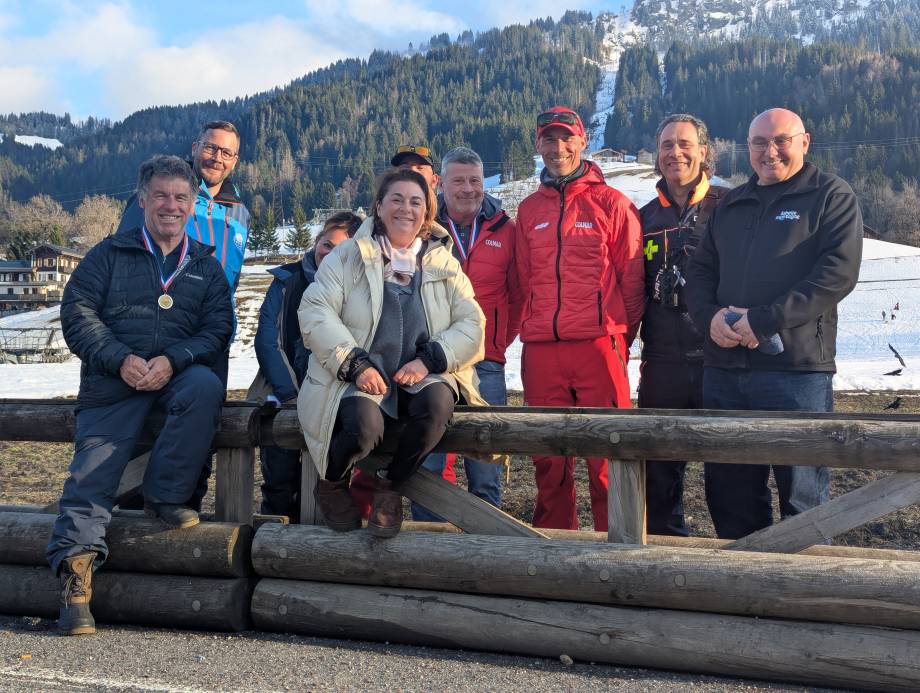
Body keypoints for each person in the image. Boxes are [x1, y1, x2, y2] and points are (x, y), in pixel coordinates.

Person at [46, 155, 233, 635]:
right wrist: (119, 358)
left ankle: (165, 496)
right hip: (112, 384)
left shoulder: (205, 266)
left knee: (206, 386)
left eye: (181, 197)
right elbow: (77, 314)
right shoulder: (108, 255)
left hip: (174, 378)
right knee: (92, 475)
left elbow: (217, 329)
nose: (171, 205)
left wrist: (174, 359)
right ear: (143, 200)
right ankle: (75, 579)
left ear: (192, 204)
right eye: (161, 195)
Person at [685, 107, 863, 539]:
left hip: (796, 373)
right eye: (760, 142)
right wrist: (709, 318)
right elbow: (700, 272)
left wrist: (763, 322)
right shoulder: (731, 204)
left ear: (805, 142)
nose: (770, 152)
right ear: (747, 148)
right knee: (730, 494)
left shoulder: (830, 196)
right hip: (725, 371)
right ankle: (745, 576)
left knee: (802, 497)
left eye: (782, 140)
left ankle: (806, 580)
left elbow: (836, 274)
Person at [297, 168, 486, 537]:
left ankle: (391, 486)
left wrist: (430, 359)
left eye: (415, 202)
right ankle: (332, 482)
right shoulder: (348, 256)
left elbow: (472, 324)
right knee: (363, 429)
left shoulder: (443, 262)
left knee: (437, 407)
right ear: (379, 206)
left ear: (426, 211)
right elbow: (315, 310)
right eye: (396, 199)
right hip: (359, 374)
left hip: (421, 373)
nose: (406, 209)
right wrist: (354, 364)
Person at [515, 106, 644, 531]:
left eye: (566, 138)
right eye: (549, 140)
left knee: (608, 455)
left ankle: (618, 543)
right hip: (542, 350)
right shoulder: (528, 210)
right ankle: (556, 544)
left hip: (598, 345)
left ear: (583, 141)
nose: (558, 148)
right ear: (538, 145)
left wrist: (618, 339)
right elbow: (524, 278)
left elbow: (632, 283)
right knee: (548, 458)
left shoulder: (613, 203)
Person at [118, 120, 251, 509]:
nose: (216, 157)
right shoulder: (164, 196)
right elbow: (128, 259)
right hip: (158, 330)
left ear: (235, 160)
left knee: (202, 424)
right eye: (210, 147)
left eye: (226, 152)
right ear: (195, 147)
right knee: (148, 425)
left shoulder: (240, 212)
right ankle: (135, 511)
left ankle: (186, 506)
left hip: (211, 337)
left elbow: (233, 275)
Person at [411, 146, 521, 521]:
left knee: (486, 465)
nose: (468, 189)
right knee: (427, 466)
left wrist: (498, 340)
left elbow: (518, 294)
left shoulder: (506, 230)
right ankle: (430, 549)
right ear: (441, 184)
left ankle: (488, 547)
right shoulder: (422, 228)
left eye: (475, 180)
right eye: (458, 180)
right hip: (431, 364)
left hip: (485, 362)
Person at [638, 114, 728, 537]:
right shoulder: (643, 218)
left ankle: (739, 561)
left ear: (703, 151)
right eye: (666, 145)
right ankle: (663, 558)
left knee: (729, 475)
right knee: (658, 476)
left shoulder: (729, 207)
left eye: (684, 144)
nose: (675, 153)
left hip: (721, 361)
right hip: (662, 362)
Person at [250, 211, 362, 521]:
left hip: (334, 390)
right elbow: (267, 341)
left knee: (329, 476)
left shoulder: (358, 288)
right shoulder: (286, 281)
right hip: (282, 390)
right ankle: (273, 533)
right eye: (327, 245)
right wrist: (290, 393)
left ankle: (320, 536)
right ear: (316, 242)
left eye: (341, 249)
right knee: (279, 476)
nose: (331, 254)